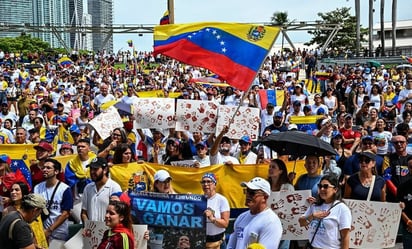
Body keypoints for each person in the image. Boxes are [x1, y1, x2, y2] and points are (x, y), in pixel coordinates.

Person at [298, 174, 351, 249]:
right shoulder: (314, 205)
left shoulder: (342, 208)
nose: (322, 189)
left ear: (335, 189)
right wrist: (312, 216)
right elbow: (301, 222)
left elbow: (345, 236)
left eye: (326, 186)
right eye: (320, 186)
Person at [227, 177, 282, 249]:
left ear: (264, 198)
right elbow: (231, 246)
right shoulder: (241, 217)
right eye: (247, 191)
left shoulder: (271, 222)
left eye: (252, 193)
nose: (248, 195)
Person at [33, 158, 73, 243]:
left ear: (56, 171)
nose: (44, 170)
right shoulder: (37, 188)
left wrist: (50, 230)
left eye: (48, 168)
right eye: (43, 168)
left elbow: (65, 213)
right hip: (40, 231)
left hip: (59, 233)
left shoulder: (65, 189)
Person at [2, 181, 48, 249]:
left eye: (17, 190)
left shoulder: (10, 215)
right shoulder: (21, 226)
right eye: (39, 213)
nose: (13, 192)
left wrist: (34, 246)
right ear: (34, 210)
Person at [81, 157, 122, 223]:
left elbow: (117, 214)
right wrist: (88, 226)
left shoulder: (114, 187)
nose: (92, 172)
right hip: (91, 230)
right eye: (91, 169)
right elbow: (84, 212)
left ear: (105, 170)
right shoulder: (88, 188)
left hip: (108, 230)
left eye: (95, 169)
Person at [201, 173, 230, 249]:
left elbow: (225, 224)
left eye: (208, 181)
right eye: (203, 182)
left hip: (218, 243)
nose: (205, 184)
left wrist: (212, 218)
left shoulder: (221, 200)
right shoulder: (199, 200)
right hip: (202, 243)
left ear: (215, 184)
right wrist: (188, 200)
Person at [397, 155, 412, 249]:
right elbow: (398, 207)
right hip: (409, 228)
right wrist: (409, 222)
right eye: (411, 167)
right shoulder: (402, 187)